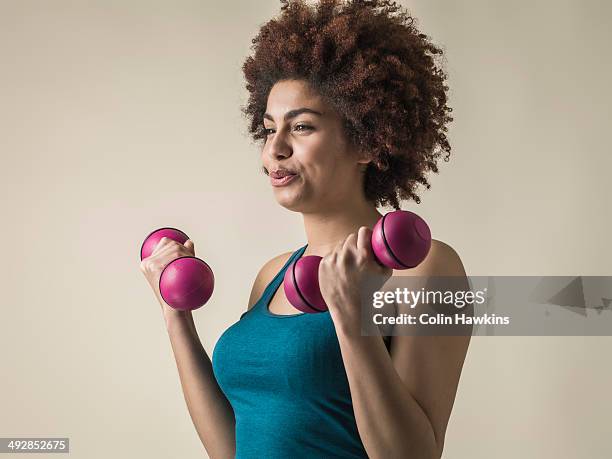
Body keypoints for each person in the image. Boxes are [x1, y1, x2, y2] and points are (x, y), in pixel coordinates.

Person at [140, 1, 470, 458]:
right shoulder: (272, 275)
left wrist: (352, 318)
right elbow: (232, 449)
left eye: (302, 127)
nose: (274, 149)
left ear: (367, 141)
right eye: (268, 129)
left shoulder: (426, 268)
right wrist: (175, 315)